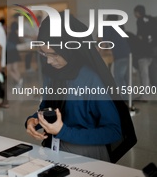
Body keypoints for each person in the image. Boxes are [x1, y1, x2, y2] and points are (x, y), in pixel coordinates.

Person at [25, 12, 124, 162]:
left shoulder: (90, 79)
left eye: (54, 54)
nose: (49, 62)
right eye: (45, 54)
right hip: (54, 152)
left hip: (87, 156)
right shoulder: (51, 74)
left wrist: (64, 131)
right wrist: (33, 120)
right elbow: (47, 106)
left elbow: (114, 131)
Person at [102, 15, 131, 89]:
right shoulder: (120, 25)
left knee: (118, 78)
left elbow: (104, 42)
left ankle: (124, 98)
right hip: (128, 54)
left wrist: (98, 51)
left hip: (120, 56)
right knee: (126, 79)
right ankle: (129, 98)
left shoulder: (108, 26)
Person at [134, 5, 156, 88]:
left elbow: (140, 36)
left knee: (144, 72)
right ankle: (153, 86)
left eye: (135, 12)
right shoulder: (151, 19)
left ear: (138, 12)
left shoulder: (139, 20)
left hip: (144, 50)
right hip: (154, 47)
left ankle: (146, 92)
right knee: (153, 69)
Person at [7, 21, 23, 88]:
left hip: (10, 53)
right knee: (15, 68)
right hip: (14, 52)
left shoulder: (11, 34)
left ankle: (19, 81)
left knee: (10, 69)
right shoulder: (15, 34)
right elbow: (18, 42)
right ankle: (19, 81)